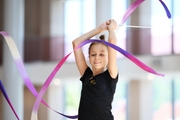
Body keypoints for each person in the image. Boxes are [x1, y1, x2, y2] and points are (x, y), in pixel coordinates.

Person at [72, 19, 119, 120]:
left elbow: (112, 42)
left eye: (102, 54)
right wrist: (99, 29)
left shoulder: (111, 75)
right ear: (89, 57)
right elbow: (76, 43)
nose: (97, 57)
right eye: (93, 54)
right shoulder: (86, 75)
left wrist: (111, 30)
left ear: (108, 58)